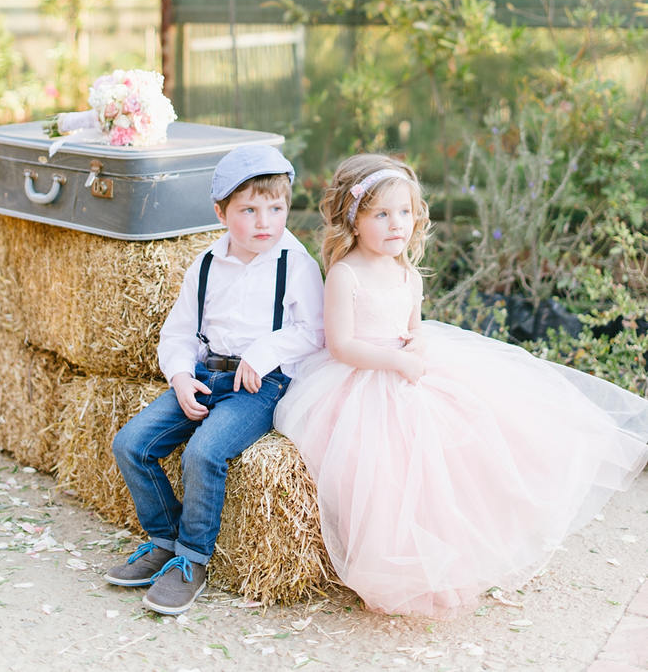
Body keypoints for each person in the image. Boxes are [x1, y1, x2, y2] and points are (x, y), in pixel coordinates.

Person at [274, 153, 648, 617]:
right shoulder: (346, 274)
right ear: (353, 218)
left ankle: (448, 558)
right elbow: (341, 345)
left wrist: (415, 350)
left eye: (405, 213)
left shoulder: (407, 272)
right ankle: (392, 564)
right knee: (383, 469)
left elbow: (416, 326)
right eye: (381, 214)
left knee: (456, 446)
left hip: (408, 369)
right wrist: (394, 361)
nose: (397, 225)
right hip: (361, 381)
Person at [106, 144, 324, 615]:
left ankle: (191, 560)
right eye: (249, 209)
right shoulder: (205, 263)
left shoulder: (295, 264)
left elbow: (315, 331)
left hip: (260, 386)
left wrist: (264, 353)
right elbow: (179, 331)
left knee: (206, 452)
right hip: (206, 374)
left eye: (276, 208)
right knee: (131, 443)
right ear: (220, 212)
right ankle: (165, 539)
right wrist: (181, 377)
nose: (265, 221)